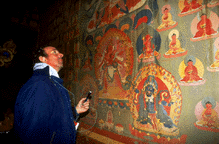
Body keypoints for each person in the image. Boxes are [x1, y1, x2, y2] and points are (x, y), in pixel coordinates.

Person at [14, 46, 90, 144]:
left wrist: (76, 111)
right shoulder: (40, 84)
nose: (61, 54)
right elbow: (33, 132)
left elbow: (54, 116)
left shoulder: (51, 83)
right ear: (43, 59)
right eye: (54, 52)